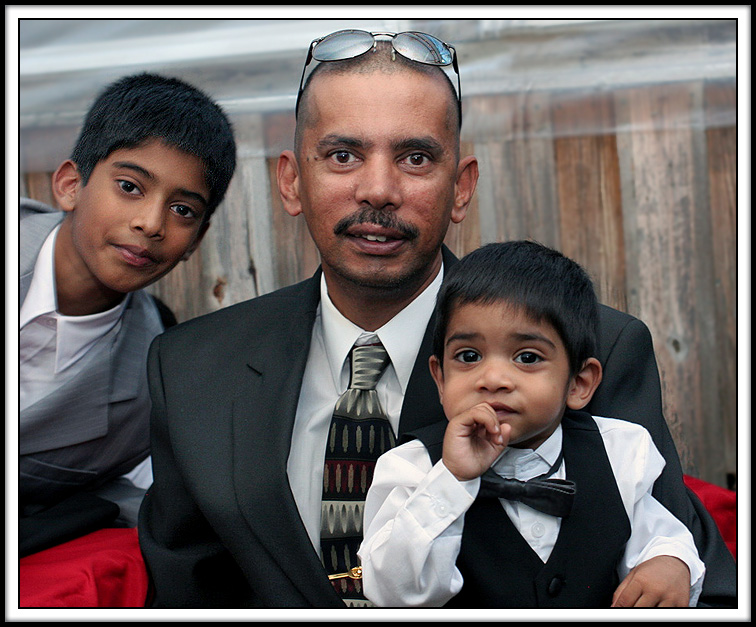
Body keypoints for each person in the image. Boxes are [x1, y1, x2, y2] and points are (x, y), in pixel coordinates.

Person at [137, 29, 735, 608]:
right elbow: (187, 592)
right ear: (292, 181)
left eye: (415, 157)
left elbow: (687, 571)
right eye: (343, 155)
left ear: (460, 189)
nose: (378, 189)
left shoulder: (585, 349)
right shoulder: (192, 371)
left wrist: (672, 565)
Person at [358, 240, 705, 607]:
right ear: (440, 379)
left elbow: (660, 535)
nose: (492, 378)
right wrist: (450, 480)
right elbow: (392, 592)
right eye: (469, 356)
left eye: (526, 357)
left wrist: (671, 561)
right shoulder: (409, 468)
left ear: (579, 383)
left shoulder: (621, 452)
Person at [19, 72, 237, 558]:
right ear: (71, 184)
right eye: (129, 186)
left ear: (196, 242)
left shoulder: (152, 388)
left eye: (183, 210)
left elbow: (140, 505)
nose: (151, 222)